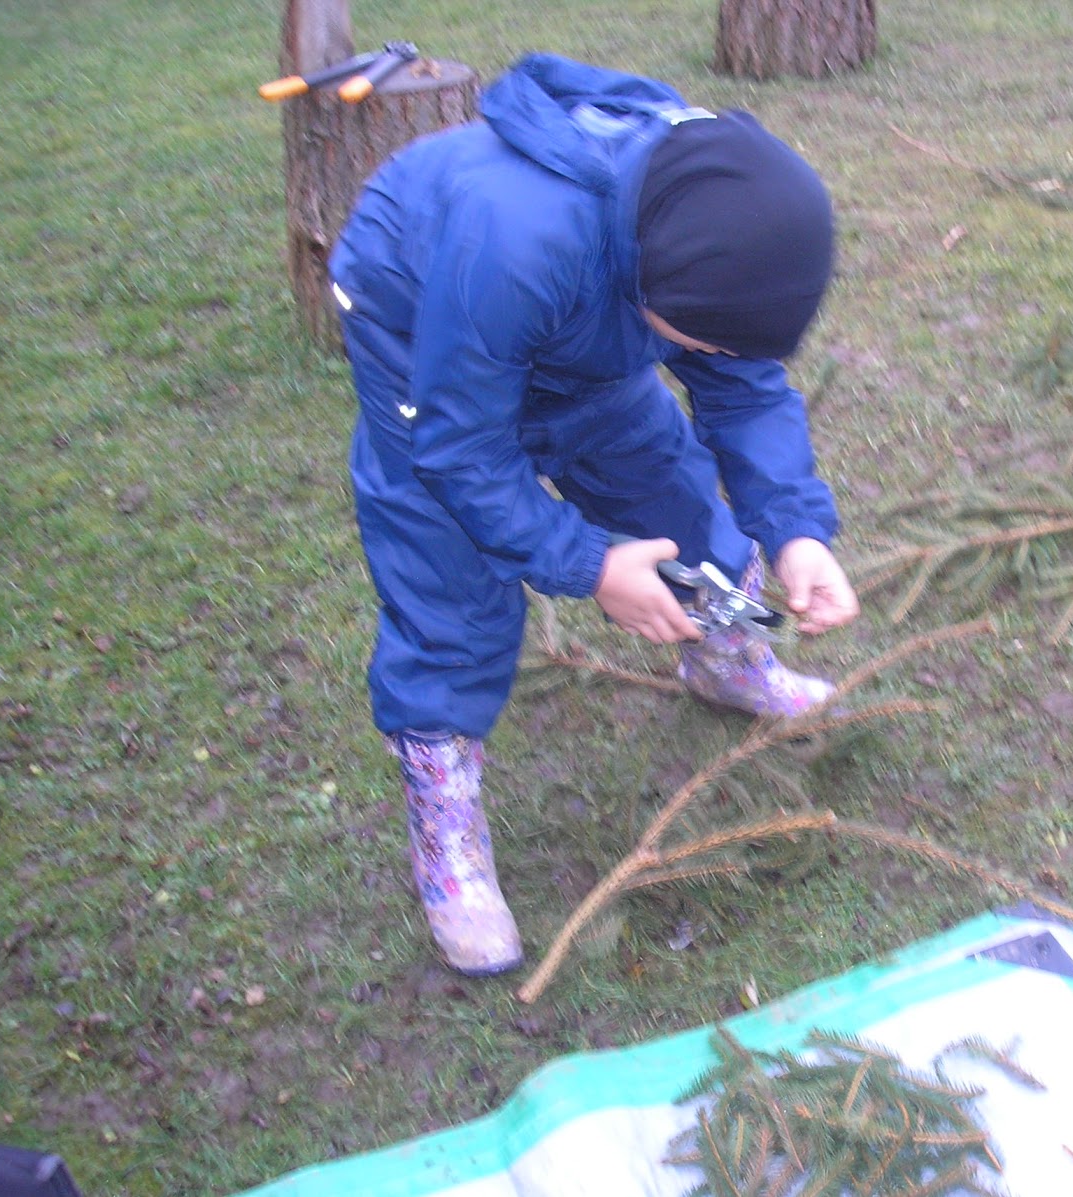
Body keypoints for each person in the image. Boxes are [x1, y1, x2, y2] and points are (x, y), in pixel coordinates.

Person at [328, 53, 860, 977]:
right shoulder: (517, 239)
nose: (713, 354)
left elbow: (742, 382)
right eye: (698, 336)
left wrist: (795, 526)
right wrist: (586, 563)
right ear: (657, 283)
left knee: (677, 499)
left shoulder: (705, 224)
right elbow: (460, 450)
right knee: (450, 571)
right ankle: (444, 810)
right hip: (421, 328)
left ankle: (727, 655)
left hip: (577, 326)